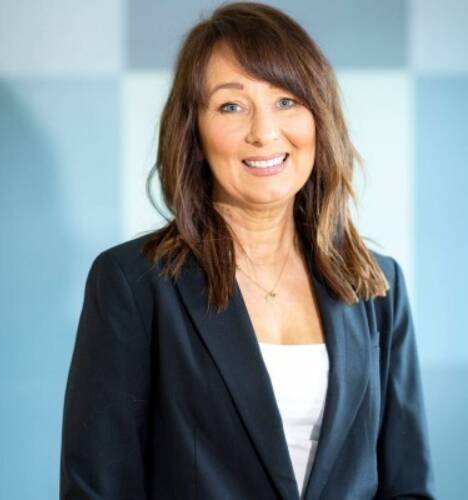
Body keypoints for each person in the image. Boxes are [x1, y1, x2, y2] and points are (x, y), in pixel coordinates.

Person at [59, 2, 436, 499]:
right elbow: (98, 488)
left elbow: (408, 485)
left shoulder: (375, 284)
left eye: (286, 101)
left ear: (319, 117)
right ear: (194, 131)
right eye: (231, 106)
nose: (264, 132)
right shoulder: (134, 283)